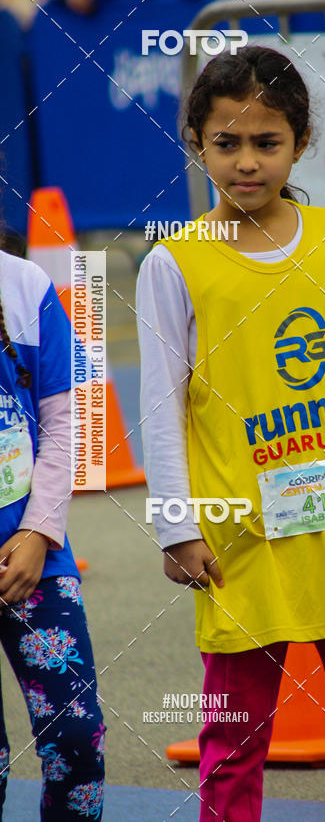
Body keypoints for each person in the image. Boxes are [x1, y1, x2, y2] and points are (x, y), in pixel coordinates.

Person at [137, 45, 325, 822]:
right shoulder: (175, 262)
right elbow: (161, 409)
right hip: (241, 544)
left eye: (266, 143)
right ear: (195, 141)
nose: (245, 163)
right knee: (233, 745)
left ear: (301, 143)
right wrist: (177, 525)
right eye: (226, 143)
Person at [0, 241, 105, 819]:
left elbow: (66, 417)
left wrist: (40, 531)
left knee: (76, 738)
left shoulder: (24, 284)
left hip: (34, 559)